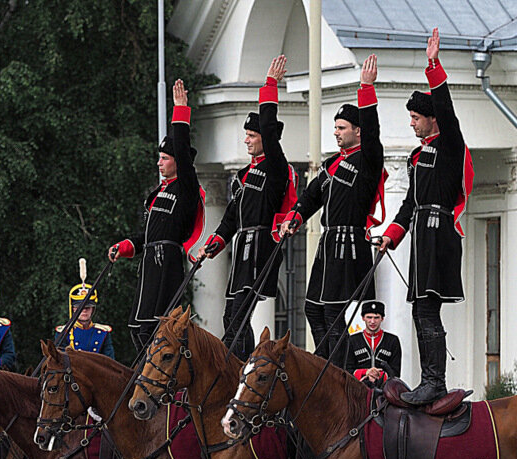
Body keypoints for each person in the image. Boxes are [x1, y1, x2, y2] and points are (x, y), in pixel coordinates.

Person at [378, 29, 473, 405]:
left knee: (427, 308)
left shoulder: (449, 144)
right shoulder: (417, 157)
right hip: (421, 235)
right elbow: (408, 205)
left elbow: (448, 112)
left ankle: (435, 381)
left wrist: (434, 67)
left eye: (417, 118)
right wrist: (392, 235)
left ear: (433, 120)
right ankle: (429, 379)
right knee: (420, 309)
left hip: (440, 235)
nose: (412, 124)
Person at [279, 55, 386, 367]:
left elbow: (375, 133)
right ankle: (326, 362)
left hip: (349, 244)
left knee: (335, 313)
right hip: (328, 244)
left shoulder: (367, 160)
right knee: (313, 308)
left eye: (342, 128)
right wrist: (295, 217)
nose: (336, 133)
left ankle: (337, 373)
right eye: (335, 127)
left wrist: (366, 89)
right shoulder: (329, 165)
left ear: (358, 131)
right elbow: (311, 197)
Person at [197, 56, 298, 360]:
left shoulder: (277, 167)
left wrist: (270, 85)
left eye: (252, 136)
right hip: (241, 247)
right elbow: (230, 218)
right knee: (231, 315)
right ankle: (242, 363)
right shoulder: (242, 175)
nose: (247, 141)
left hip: (261, 246)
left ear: (267, 139)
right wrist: (213, 244)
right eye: (248, 135)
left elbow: (268, 124)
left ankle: (235, 367)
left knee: (240, 314)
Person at [110, 79, 205, 352]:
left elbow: (186, 161)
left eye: (164, 158)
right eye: (159, 157)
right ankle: (147, 379)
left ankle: (164, 387)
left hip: (167, 262)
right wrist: (128, 245)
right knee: (137, 328)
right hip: (150, 261)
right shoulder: (158, 192)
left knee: (155, 328)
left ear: (178, 161)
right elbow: (150, 233)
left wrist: (181, 111)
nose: (159, 162)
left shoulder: (186, 187)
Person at [55, 258, 114, 359]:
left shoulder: (103, 333)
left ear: (93, 309)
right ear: (73, 309)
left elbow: (110, 362)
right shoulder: (63, 333)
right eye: (80, 307)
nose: (84, 310)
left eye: (88, 307)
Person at [345, 300, 402, 388]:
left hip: (384, 389)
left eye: (376, 317)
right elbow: (347, 369)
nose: (372, 321)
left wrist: (377, 375)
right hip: (358, 388)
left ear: (382, 318)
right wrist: (366, 372)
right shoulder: (352, 340)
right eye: (369, 317)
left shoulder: (393, 340)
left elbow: (396, 372)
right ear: (363, 318)